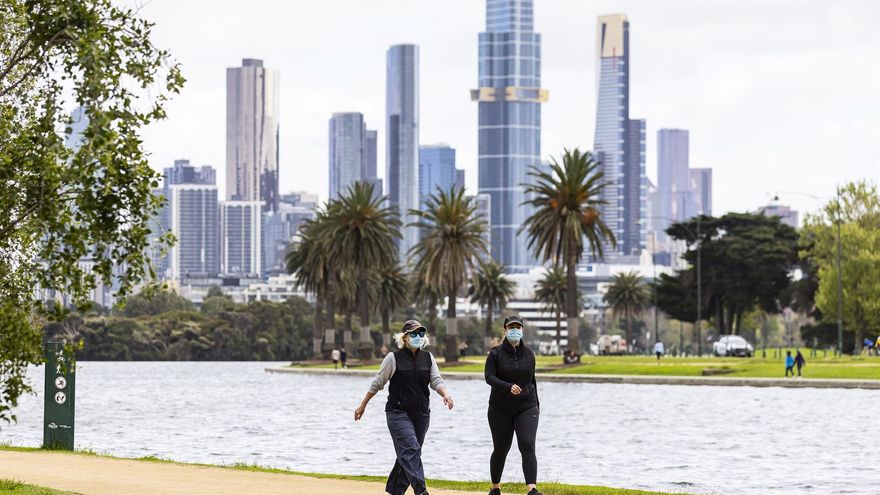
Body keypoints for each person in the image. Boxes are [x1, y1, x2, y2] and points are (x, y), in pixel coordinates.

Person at [354, 320, 454, 495]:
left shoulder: (428, 357)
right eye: (414, 334)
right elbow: (378, 383)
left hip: (422, 413)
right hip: (397, 413)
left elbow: (436, 380)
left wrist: (445, 394)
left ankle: (395, 491)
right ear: (405, 337)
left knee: (408, 455)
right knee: (411, 450)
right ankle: (421, 492)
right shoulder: (393, 358)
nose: (418, 337)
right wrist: (363, 405)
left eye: (421, 334)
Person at [484, 315, 543, 495]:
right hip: (500, 408)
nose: (515, 330)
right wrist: (507, 387)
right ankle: (495, 487)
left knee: (527, 444)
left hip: (527, 406)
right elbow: (489, 377)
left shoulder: (530, 354)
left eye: (518, 327)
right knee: (501, 449)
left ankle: (531, 489)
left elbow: (532, 380)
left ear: (522, 330)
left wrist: (537, 405)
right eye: (511, 327)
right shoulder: (495, 353)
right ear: (505, 330)